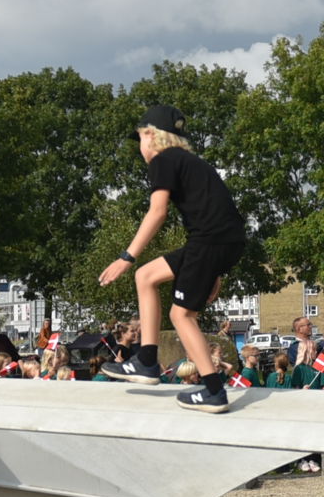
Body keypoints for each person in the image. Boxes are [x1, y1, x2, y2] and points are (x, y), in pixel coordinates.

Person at [100, 103, 245, 409]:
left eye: (139, 138)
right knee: (146, 276)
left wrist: (126, 256)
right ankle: (148, 360)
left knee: (181, 315)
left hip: (209, 242)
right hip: (218, 242)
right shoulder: (192, 162)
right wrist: (215, 269)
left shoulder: (163, 160)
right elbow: (220, 212)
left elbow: (158, 212)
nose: (140, 147)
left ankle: (214, 390)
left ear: (151, 135)